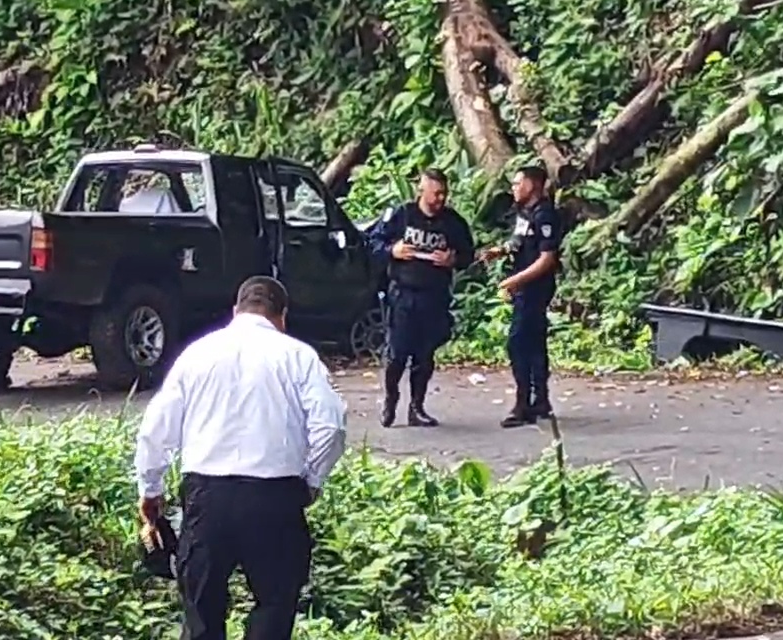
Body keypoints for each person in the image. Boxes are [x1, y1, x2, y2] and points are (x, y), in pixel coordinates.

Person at [134, 276, 347, 640]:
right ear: (282, 316)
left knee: (201, 611)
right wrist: (311, 481)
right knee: (275, 603)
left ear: (236, 311)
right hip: (275, 498)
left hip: (207, 497)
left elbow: (156, 428)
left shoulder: (197, 354)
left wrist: (150, 491)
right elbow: (332, 427)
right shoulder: (299, 357)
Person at [367, 168, 474, 428]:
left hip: (434, 296)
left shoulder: (453, 222)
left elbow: (469, 255)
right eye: (435, 193)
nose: (440, 199)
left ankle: (417, 407)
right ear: (421, 191)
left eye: (444, 194)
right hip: (403, 294)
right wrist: (393, 249)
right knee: (397, 355)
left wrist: (453, 260)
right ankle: (391, 399)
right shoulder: (401, 215)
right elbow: (371, 242)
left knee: (424, 356)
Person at [479, 165, 562, 428]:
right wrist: (499, 251)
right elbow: (519, 241)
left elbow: (547, 259)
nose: (514, 188)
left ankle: (523, 402)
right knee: (534, 342)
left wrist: (516, 280)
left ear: (532, 185)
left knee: (518, 343)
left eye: (518, 183)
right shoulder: (524, 212)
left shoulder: (545, 215)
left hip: (535, 288)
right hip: (524, 288)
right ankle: (541, 400)